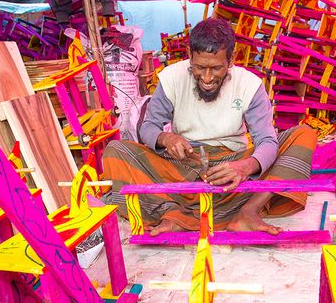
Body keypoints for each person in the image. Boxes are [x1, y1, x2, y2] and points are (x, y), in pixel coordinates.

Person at [103, 18, 317, 236]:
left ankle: (247, 212)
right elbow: (148, 127)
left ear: (231, 60)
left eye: (216, 68)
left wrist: (245, 167)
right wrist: (166, 139)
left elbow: (267, 141)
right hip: (182, 166)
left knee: (303, 135)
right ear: (189, 55)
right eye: (199, 67)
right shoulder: (171, 78)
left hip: (231, 168)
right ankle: (174, 213)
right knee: (115, 151)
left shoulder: (250, 85)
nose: (207, 77)